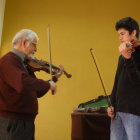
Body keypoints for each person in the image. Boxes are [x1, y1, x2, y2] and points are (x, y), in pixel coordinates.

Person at [0, 29, 63, 140]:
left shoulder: (23, 64)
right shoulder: (8, 61)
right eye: (34, 45)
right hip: (13, 122)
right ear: (24, 43)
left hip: (25, 122)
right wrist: (48, 85)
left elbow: (36, 91)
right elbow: (22, 82)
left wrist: (54, 79)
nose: (36, 49)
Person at [107, 17, 140, 140]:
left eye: (122, 34)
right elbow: (117, 82)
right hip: (117, 111)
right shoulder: (122, 57)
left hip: (134, 111)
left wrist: (128, 58)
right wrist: (111, 103)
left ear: (133, 32)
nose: (120, 38)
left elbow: (137, 82)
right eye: (118, 35)